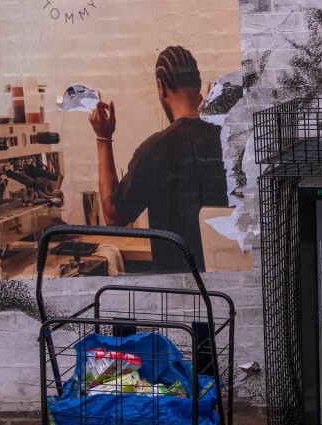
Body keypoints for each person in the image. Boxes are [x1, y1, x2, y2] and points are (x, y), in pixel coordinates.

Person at [89, 46, 228, 272]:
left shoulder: (155, 149)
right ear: (198, 84)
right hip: (228, 281)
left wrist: (103, 138)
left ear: (161, 86)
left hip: (178, 284)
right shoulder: (230, 137)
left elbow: (113, 217)